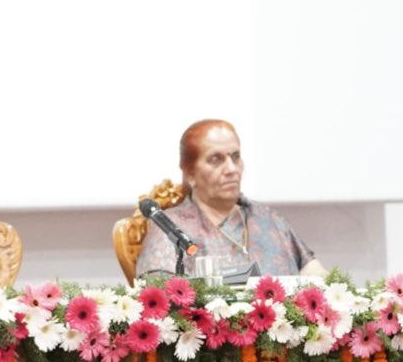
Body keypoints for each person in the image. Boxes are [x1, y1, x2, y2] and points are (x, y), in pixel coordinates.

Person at [134, 119, 321, 284]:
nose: (231, 169)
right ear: (190, 173)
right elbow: (159, 294)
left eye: (235, 156)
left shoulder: (269, 219)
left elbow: (316, 276)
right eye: (216, 159)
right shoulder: (171, 228)